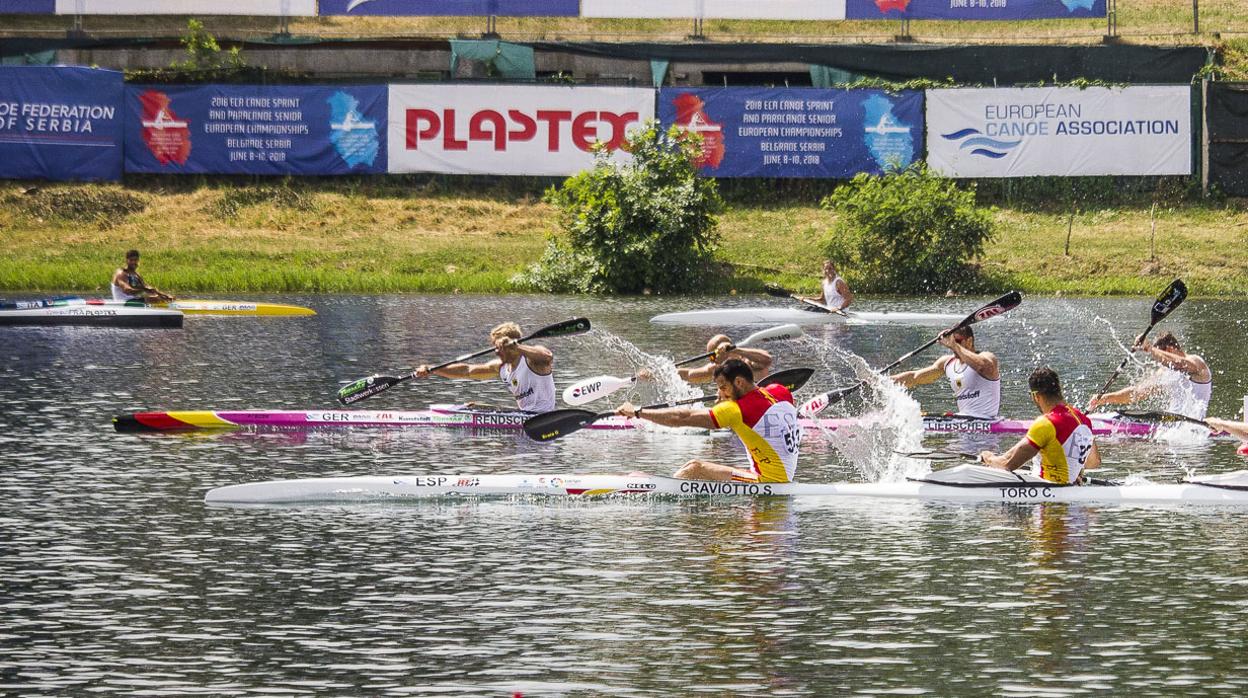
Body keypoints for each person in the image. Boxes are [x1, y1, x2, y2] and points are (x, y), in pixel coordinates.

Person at [616, 359, 801, 483]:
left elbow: (683, 418)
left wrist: (638, 413)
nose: (720, 393)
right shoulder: (780, 391)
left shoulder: (735, 411)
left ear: (739, 383)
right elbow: (759, 400)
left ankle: (656, 489)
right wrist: (729, 397)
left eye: (723, 387)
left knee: (694, 469)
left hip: (769, 481)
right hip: (780, 474)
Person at [980, 367, 1101, 485]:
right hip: (1071, 492)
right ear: (1059, 390)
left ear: (1036, 396)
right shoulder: (1085, 421)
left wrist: (989, 458)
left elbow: (1007, 463)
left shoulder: (1046, 423)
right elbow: (1093, 463)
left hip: (1046, 500)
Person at [413, 322, 556, 413]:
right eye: (495, 347)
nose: (496, 351)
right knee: (471, 407)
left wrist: (517, 346)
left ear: (512, 346)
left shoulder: (533, 360)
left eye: (499, 347)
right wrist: (432, 369)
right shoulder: (500, 367)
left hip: (544, 416)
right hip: (524, 416)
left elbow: (547, 357)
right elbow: (466, 371)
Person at [1088, 331, 1212, 419]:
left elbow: (1179, 364)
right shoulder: (1165, 372)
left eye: (1160, 356)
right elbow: (1137, 393)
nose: (1160, 362)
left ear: (1169, 350)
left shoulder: (1196, 362)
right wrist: (1104, 398)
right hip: (1169, 427)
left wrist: (1150, 349)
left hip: (1192, 427)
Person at [890, 326, 1001, 418]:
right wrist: (881, 380)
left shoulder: (987, 357)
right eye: (951, 340)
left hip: (987, 421)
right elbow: (914, 377)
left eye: (957, 341)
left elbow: (982, 366)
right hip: (963, 421)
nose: (952, 345)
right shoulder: (947, 362)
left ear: (970, 341)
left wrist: (954, 345)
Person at [677, 334, 773, 384]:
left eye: (712, 356)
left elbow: (767, 359)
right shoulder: (717, 367)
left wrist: (736, 350)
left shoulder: (748, 362)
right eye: (710, 357)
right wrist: (665, 369)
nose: (712, 361)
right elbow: (689, 375)